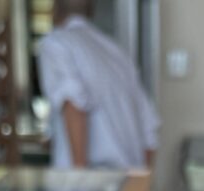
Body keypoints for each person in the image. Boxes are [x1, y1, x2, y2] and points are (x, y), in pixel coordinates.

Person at [37, 0, 159, 171]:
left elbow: (73, 104)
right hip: (128, 179)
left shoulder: (56, 44)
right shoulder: (116, 52)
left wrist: (81, 178)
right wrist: (141, 183)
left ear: (54, 8)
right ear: (91, 9)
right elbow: (149, 132)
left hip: (92, 181)